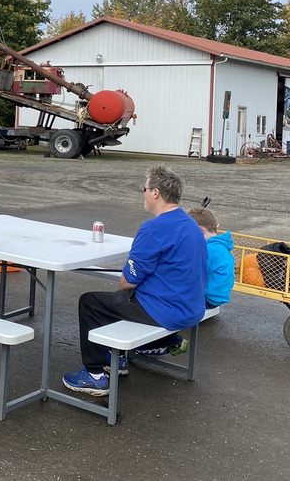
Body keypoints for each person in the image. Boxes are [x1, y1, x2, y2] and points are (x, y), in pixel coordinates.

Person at [62, 165, 207, 396]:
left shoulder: (153, 228)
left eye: (145, 189)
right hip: (193, 306)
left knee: (91, 303)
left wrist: (121, 293)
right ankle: (116, 359)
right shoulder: (190, 224)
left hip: (168, 311)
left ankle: (95, 375)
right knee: (118, 301)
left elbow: (129, 279)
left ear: (156, 193)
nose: (143, 193)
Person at [188, 206, 234, 308]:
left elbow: (192, 273)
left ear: (199, 231)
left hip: (208, 298)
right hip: (218, 295)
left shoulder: (208, 250)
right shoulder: (221, 246)